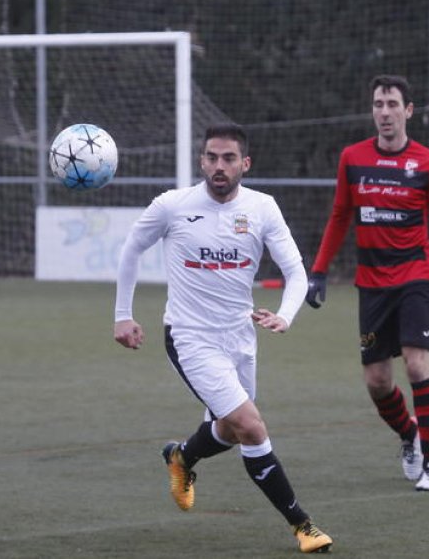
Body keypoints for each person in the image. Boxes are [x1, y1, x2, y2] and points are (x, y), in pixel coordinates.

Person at [113, 124, 332, 554]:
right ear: (201, 161)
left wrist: (286, 316)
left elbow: (296, 272)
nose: (219, 165)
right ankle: (303, 525)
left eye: (228, 158)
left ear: (244, 164)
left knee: (231, 431)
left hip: (240, 335)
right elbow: (131, 249)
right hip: (189, 336)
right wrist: (123, 315)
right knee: (250, 426)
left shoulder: (263, 208)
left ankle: (181, 457)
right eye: (211, 157)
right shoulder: (172, 206)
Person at [305, 74, 429, 492]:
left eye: (391, 104)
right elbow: (339, 217)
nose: (384, 112)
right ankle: (410, 435)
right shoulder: (352, 158)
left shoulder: (427, 163)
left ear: (408, 111)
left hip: (415, 276)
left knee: (418, 363)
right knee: (377, 381)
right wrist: (319, 271)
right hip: (372, 282)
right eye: (378, 104)